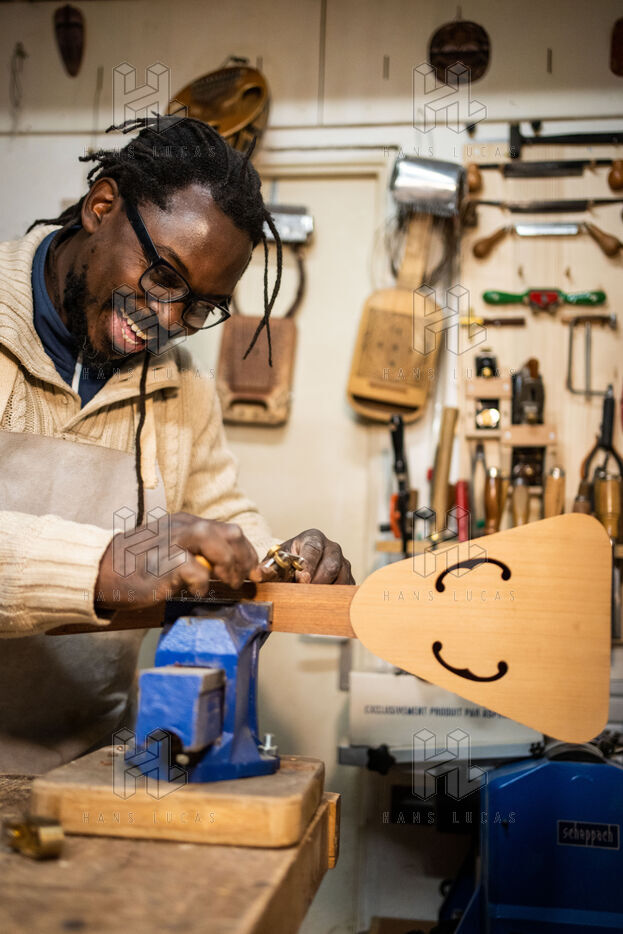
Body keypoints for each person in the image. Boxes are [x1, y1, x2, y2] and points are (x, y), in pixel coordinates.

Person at [0, 115, 353, 773]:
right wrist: (102, 565)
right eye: (163, 275)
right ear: (101, 206)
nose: (165, 320)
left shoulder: (180, 385)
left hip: (86, 765)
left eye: (199, 306)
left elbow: (221, 518)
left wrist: (282, 561)